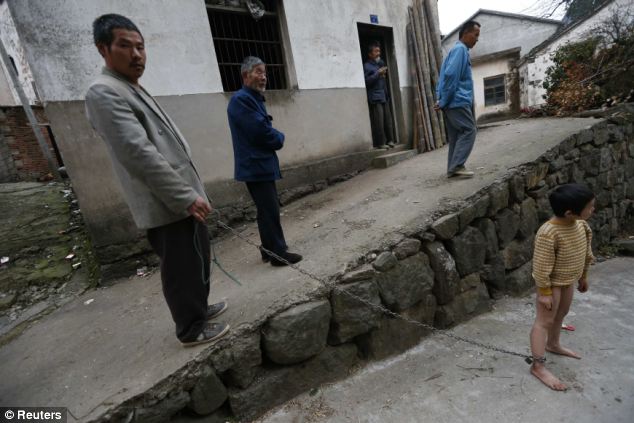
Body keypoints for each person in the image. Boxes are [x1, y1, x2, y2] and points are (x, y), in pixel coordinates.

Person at [85, 14, 229, 347]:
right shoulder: (104, 93)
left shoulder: (129, 87)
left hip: (180, 193)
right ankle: (190, 328)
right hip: (165, 199)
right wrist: (184, 196)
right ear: (103, 48)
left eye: (141, 47)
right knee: (180, 264)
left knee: (196, 256)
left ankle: (199, 309)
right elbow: (139, 154)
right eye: (125, 46)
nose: (137, 55)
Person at [227, 56, 302, 267]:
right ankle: (278, 254)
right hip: (256, 165)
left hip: (258, 164)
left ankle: (268, 249)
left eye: (264, 72)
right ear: (245, 75)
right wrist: (280, 138)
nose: (264, 77)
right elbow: (261, 132)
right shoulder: (242, 99)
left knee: (265, 209)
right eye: (258, 72)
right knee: (269, 209)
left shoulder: (252, 98)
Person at [529, 183, 595, 391]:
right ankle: (537, 365)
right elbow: (541, 266)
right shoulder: (549, 232)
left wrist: (583, 275)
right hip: (552, 285)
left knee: (562, 314)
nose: (593, 209)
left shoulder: (582, 226)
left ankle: (553, 344)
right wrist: (545, 293)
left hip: (569, 280)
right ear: (570, 213)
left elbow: (586, 252)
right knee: (544, 321)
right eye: (590, 207)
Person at [435, 20, 481, 178]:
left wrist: (440, 100)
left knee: (455, 136)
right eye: (476, 35)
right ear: (466, 33)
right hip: (457, 101)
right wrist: (443, 101)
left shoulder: (454, 51)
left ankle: (452, 169)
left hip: (450, 102)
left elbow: (443, 78)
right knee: (469, 130)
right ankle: (457, 166)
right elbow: (450, 77)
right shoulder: (460, 50)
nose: (477, 39)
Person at [363, 41, 395, 150]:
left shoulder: (380, 63)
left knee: (388, 120)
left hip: (384, 96)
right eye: (376, 51)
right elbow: (367, 81)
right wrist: (378, 73)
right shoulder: (367, 66)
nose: (378, 53)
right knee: (379, 121)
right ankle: (381, 143)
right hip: (375, 97)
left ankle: (390, 140)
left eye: (379, 51)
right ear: (370, 54)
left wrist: (382, 74)